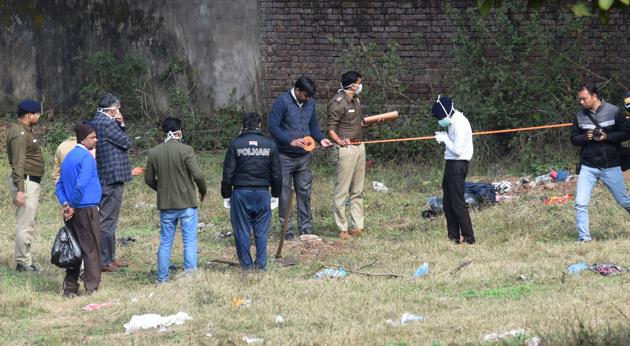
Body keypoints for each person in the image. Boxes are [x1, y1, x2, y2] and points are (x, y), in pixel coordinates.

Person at [268, 77, 332, 240]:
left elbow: (314, 127)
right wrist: (291, 140)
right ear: (297, 91)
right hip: (284, 156)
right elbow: (273, 127)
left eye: (310, 96)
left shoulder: (310, 103)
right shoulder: (282, 102)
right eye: (305, 95)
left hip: (304, 157)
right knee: (284, 193)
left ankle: (306, 228)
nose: (308, 99)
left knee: (304, 192)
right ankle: (286, 230)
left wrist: (320, 139)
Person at [145, 117, 207, 283]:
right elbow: (198, 175)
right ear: (179, 132)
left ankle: (162, 278)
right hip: (187, 203)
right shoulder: (186, 150)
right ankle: (190, 277)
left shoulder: (154, 152)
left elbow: (149, 179)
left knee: (165, 242)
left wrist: (162, 190)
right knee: (190, 241)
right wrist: (203, 191)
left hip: (166, 205)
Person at [571, 82, 630, 243]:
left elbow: (626, 133)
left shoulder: (614, 112)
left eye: (584, 99)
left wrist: (607, 137)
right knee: (580, 203)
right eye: (580, 99)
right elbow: (573, 139)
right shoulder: (579, 116)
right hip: (588, 166)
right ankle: (584, 239)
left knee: (624, 200)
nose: (581, 102)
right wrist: (585, 137)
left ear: (594, 96)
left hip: (611, 165)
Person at [222, 112, 282, 269]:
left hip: (241, 193)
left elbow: (228, 172)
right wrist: (275, 194)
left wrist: (226, 194)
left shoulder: (236, 144)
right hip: (263, 193)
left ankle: (247, 267)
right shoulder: (270, 145)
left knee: (242, 231)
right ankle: (261, 265)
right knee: (261, 232)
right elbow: (277, 173)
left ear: (243, 126)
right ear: (260, 124)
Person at [55, 124, 102, 297]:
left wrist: (65, 204)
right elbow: (81, 185)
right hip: (86, 208)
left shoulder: (68, 158)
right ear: (83, 138)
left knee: (73, 250)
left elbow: (58, 185)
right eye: (93, 137)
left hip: (72, 211)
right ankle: (91, 287)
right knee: (91, 249)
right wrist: (72, 206)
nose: (96, 140)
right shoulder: (87, 158)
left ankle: (69, 287)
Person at [90, 93, 132, 272]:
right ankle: (105, 260)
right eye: (118, 108)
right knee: (108, 220)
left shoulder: (97, 120)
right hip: (111, 177)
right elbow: (126, 142)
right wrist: (120, 123)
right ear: (113, 109)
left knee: (108, 219)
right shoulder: (108, 123)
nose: (119, 110)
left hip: (104, 175)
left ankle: (109, 257)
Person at [327, 71, 368, 239]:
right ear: (352, 85)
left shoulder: (356, 100)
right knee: (342, 190)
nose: (360, 86)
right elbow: (331, 128)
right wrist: (340, 141)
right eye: (359, 83)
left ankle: (357, 225)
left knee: (358, 189)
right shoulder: (337, 102)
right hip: (346, 149)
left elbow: (356, 122)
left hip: (359, 146)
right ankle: (342, 228)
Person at [6, 99, 44, 272]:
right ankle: (23, 263)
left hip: (29, 181)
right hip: (25, 182)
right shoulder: (20, 133)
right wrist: (21, 189)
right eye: (37, 113)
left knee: (28, 222)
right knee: (25, 223)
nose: (39, 116)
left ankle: (24, 260)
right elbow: (18, 163)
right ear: (29, 115)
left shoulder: (25, 130)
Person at [432, 95, 475, 244]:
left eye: (440, 117)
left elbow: (457, 149)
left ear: (447, 112)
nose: (440, 120)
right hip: (450, 163)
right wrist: (445, 138)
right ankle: (454, 237)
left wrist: (445, 139)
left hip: (458, 164)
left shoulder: (460, 123)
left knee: (457, 203)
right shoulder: (451, 121)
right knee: (448, 203)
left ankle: (469, 238)